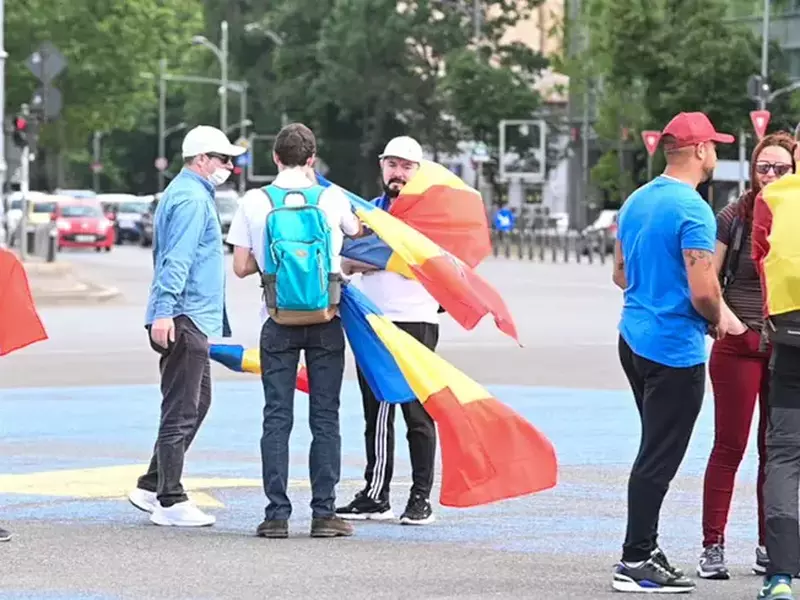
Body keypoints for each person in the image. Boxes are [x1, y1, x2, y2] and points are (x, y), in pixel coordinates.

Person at [611, 112, 733, 593]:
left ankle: (648, 545)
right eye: (715, 146)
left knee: (651, 449)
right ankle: (635, 558)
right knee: (657, 458)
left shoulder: (636, 201)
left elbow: (620, 273)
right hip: (673, 350)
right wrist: (717, 318)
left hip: (633, 338)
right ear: (701, 150)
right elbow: (704, 289)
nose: (716, 154)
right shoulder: (694, 210)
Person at [226, 122, 362, 539]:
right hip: (325, 320)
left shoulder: (255, 200)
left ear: (274, 157)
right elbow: (356, 233)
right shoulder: (332, 198)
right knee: (325, 417)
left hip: (278, 321)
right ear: (312, 159)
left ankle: (276, 515)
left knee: (277, 417)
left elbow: (242, 266)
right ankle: (324, 513)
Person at [128, 125, 243, 527]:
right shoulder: (193, 199)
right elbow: (175, 260)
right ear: (201, 159)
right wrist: (164, 312)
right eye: (223, 158)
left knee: (197, 401)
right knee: (181, 408)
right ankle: (171, 500)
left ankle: (152, 482)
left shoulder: (185, 193)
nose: (230, 166)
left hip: (188, 314)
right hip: (184, 315)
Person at [697, 133, 797, 580]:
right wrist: (728, 321)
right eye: (764, 167)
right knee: (729, 447)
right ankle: (713, 545)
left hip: (784, 347)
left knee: (774, 451)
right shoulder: (734, 215)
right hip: (738, 345)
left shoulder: (791, 214)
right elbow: (709, 277)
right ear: (754, 170)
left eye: (780, 168)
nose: (771, 174)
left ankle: (768, 545)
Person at [335, 136, 440, 525]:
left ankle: (420, 497)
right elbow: (346, 258)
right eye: (392, 165)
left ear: (418, 171)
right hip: (374, 318)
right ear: (382, 167)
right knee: (376, 412)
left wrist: (374, 257)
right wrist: (379, 258)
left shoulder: (432, 216)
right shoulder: (369, 213)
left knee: (416, 411)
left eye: (406, 166)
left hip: (417, 319)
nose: (398, 173)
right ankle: (376, 494)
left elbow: (422, 261)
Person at [753, 131, 800, 600]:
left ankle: (781, 576)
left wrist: (772, 321)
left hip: (791, 337)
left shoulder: (774, 198)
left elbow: (760, 259)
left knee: (785, 455)